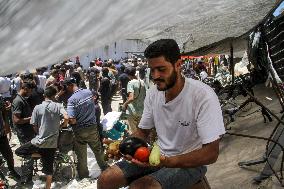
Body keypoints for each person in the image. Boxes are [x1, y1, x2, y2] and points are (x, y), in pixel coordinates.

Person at [98, 39, 225, 189]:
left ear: (178, 65)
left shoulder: (203, 96)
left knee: (141, 187)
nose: (155, 76)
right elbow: (143, 132)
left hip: (190, 163)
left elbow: (211, 153)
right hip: (157, 156)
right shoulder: (153, 94)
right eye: (152, 70)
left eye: (161, 69)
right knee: (105, 179)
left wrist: (170, 161)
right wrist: (124, 147)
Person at [15, 86, 69, 189]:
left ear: (44, 95)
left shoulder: (37, 107)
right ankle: (47, 187)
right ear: (54, 96)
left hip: (39, 141)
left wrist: (39, 132)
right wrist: (61, 126)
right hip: (52, 143)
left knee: (19, 151)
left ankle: (39, 154)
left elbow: (34, 125)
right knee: (49, 170)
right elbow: (66, 117)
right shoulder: (58, 106)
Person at [63, 77, 108, 179]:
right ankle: (105, 169)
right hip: (92, 127)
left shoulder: (71, 100)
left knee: (82, 156)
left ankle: (84, 176)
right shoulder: (88, 92)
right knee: (98, 150)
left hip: (80, 130)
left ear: (69, 86)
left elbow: (72, 119)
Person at [12, 80, 36, 184]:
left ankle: (28, 177)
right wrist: (31, 118)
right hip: (23, 133)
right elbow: (16, 120)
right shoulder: (18, 101)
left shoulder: (23, 99)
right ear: (25, 88)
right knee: (28, 156)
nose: (30, 93)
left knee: (30, 154)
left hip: (28, 131)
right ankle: (25, 180)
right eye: (30, 91)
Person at [0, 95, 21, 181]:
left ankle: (11, 171)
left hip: (1, 134)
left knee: (9, 155)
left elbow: (4, 112)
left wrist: (7, 127)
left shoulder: (0, 98)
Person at [121, 66, 146, 133]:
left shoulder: (130, 83)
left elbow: (131, 98)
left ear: (127, 75)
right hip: (141, 110)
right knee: (140, 131)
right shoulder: (142, 82)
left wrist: (124, 104)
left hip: (132, 111)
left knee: (134, 132)